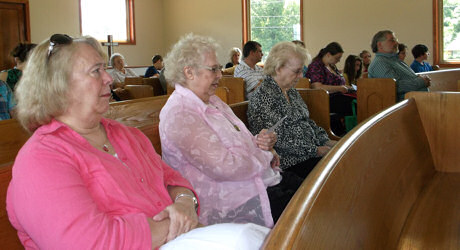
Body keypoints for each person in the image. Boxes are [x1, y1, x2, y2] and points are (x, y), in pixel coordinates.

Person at [7, 34, 201, 249]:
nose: (108, 78)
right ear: (58, 86)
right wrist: (175, 225)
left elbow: (170, 178)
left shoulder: (127, 135)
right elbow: (85, 243)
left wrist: (185, 202)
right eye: (96, 71)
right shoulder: (41, 159)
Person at [160, 33, 300, 227]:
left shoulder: (213, 100)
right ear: (189, 72)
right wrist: (265, 156)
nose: (220, 74)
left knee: (317, 192)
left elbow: (241, 139)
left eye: (219, 68)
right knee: (314, 211)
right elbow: (226, 167)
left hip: (258, 181)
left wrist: (261, 142)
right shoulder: (180, 114)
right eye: (214, 69)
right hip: (232, 199)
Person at [248, 41, 337, 180]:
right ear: (278, 68)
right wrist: (316, 150)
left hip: (309, 154)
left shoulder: (291, 91)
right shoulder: (263, 97)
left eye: (302, 71)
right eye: (297, 71)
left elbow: (307, 123)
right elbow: (280, 141)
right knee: (338, 169)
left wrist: (327, 141)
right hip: (289, 163)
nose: (301, 76)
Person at [305, 42, 354, 136]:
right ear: (328, 55)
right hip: (325, 99)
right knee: (353, 104)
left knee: (356, 100)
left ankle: (349, 131)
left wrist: (345, 87)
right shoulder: (316, 66)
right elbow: (317, 87)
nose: (338, 61)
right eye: (337, 58)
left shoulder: (331, 66)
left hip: (337, 96)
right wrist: (340, 88)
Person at [368, 30, 430, 101]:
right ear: (379, 45)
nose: (397, 43)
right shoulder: (380, 63)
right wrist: (421, 81)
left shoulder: (394, 60)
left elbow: (408, 78)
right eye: (392, 40)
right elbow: (395, 86)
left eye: (396, 40)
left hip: (416, 101)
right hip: (404, 105)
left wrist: (419, 78)